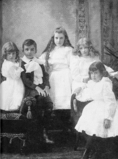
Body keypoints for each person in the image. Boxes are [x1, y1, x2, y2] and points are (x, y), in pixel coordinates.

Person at [75, 61, 118, 159]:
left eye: (96, 73)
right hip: (94, 107)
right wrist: (79, 90)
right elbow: (88, 93)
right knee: (89, 127)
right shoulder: (92, 82)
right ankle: (90, 149)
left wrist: (108, 117)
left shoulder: (105, 83)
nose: (93, 76)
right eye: (91, 73)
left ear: (102, 73)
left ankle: (91, 150)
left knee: (97, 127)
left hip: (105, 108)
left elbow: (110, 101)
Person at [39, 27, 74, 131]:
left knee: (65, 101)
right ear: (53, 38)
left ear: (65, 38)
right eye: (56, 38)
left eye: (61, 38)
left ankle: (66, 128)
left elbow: (73, 64)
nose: (59, 41)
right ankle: (56, 128)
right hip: (54, 77)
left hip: (65, 77)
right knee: (54, 101)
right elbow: (40, 61)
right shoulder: (50, 51)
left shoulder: (68, 50)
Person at [21, 39, 54, 143]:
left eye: (32, 49)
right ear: (23, 51)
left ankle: (45, 131)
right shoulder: (23, 63)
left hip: (41, 88)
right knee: (38, 103)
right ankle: (37, 135)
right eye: (27, 49)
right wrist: (37, 87)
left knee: (49, 104)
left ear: (35, 50)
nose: (29, 52)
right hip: (31, 89)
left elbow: (45, 76)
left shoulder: (39, 62)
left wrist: (47, 86)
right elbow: (25, 80)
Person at [0, 42, 24, 111]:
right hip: (13, 83)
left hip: (12, 82)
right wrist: (19, 66)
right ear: (5, 54)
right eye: (9, 54)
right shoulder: (9, 65)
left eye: (13, 53)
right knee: (14, 97)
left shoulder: (9, 62)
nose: (11, 56)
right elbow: (16, 76)